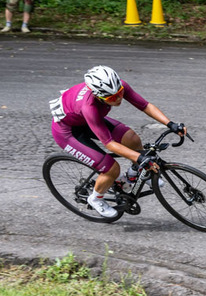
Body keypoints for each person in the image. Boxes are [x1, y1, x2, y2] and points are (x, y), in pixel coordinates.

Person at [48, 65, 187, 218]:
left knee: (132, 139)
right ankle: (95, 198)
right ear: (98, 96)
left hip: (86, 120)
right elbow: (109, 144)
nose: (119, 98)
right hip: (68, 132)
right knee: (111, 169)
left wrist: (170, 123)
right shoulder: (90, 107)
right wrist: (139, 158)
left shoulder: (115, 87)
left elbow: (145, 106)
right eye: (112, 98)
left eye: (120, 93)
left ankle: (133, 175)